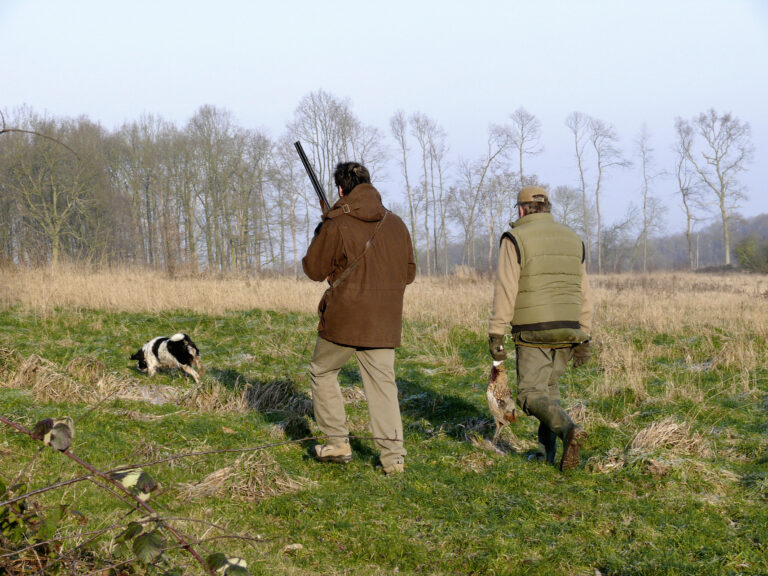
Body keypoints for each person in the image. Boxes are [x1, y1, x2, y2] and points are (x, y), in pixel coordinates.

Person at [302, 161, 416, 474]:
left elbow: (313, 269)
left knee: (322, 371)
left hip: (344, 320)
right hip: (384, 322)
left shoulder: (337, 223)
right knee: (383, 387)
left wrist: (322, 230)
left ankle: (337, 443)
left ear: (340, 190)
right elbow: (409, 274)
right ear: (368, 184)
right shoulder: (396, 224)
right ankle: (393, 459)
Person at [488, 186, 593, 471]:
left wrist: (496, 332)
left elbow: (506, 288)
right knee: (549, 390)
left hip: (533, 329)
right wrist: (585, 335)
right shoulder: (574, 239)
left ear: (521, 210)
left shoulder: (515, 238)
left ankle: (568, 429)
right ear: (547, 208)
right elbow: (584, 291)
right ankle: (547, 455)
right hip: (570, 329)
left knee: (529, 395)